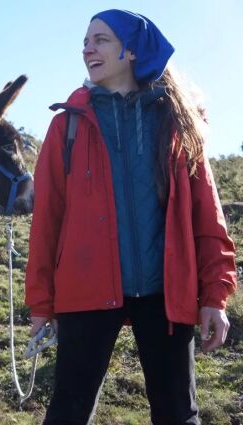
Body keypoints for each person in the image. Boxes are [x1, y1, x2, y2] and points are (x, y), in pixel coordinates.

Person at [24, 9, 237, 424]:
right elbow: (46, 220)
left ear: (132, 50)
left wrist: (215, 295)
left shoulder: (176, 123)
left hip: (165, 292)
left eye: (100, 39)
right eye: (85, 42)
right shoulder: (66, 127)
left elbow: (207, 216)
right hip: (85, 289)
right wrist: (41, 303)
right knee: (67, 414)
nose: (88, 49)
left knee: (178, 415)